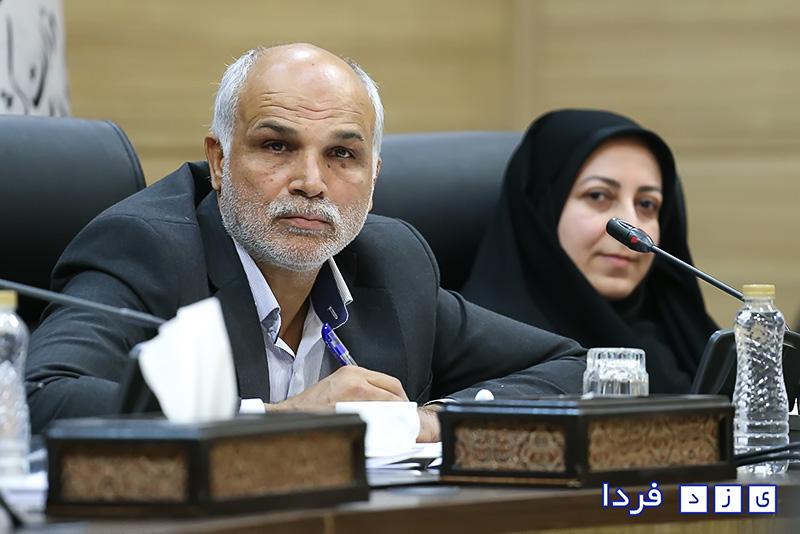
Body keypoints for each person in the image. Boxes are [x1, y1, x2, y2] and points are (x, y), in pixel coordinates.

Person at [25, 44, 585, 438]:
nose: (311, 182)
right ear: (218, 161)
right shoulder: (145, 249)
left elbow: (574, 367)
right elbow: (42, 397)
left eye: (342, 154)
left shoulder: (394, 263)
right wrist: (281, 420)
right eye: (276, 146)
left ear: (373, 177)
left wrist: (434, 419)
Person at [462, 109, 718, 394]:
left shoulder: (684, 335)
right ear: (542, 209)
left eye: (646, 204)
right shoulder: (479, 344)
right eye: (598, 196)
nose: (631, 226)